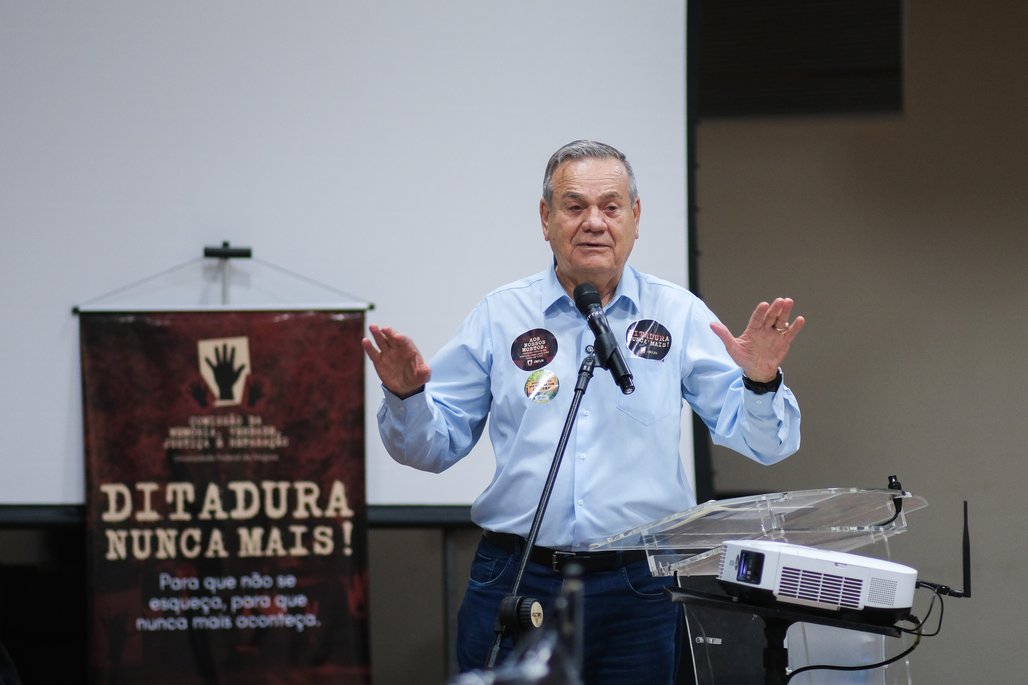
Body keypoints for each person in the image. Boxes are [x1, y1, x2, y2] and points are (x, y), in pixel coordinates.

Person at [362, 140, 805, 684]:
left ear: (636, 218)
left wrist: (760, 381)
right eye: (574, 207)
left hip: (637, 587)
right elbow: (428, 449)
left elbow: (768, 444)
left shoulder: (676, 313)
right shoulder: (501, 316)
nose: (594, 222)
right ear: (545, 219)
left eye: (611, 206)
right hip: (516, 575)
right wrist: (406, 397)